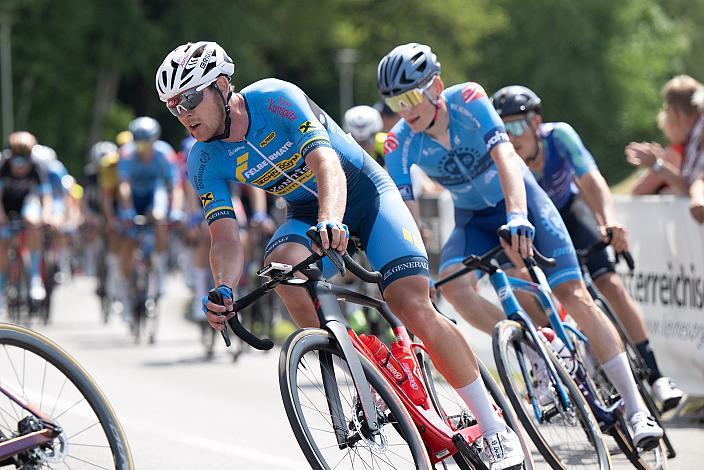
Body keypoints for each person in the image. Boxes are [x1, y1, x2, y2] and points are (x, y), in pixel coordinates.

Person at [156, 40, 524, 468]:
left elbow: (327, 164)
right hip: (307, 212)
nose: (184, 114)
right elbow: (225, 237)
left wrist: (333, 219)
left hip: (366, 196)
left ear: (221, 86)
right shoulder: (202, 158)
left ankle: (496, 429)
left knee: (410, 303)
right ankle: (372, 376)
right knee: (282, 272)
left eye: (190, 100)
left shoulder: (276, 98)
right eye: (173, 107)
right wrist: (223, 288)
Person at [378, 42, 662, 448]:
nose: (403, 110)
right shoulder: (398, 143)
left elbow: (508, 159)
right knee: (453, 285)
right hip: (473, 220)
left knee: (574, 294)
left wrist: (517, 215)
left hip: (519, 200)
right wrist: (415, 262)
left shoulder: (469, 99)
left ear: (436, 86)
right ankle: (531, 351)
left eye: (409, 97)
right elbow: (407, 211)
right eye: (393, 101)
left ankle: (637, 410)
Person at [491, 85, 684, 411]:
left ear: (536, 122)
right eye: (502, 128)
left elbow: (591, 181)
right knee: (532, 290)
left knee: (609, 282)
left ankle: (655, 374)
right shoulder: (501, 159)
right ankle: (566, 360)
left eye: (516, 125)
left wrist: (609, 222)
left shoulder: (559, 137)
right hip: (536, 224)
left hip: (569, 211)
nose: (510, 136)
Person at [116, 117, 183, 316]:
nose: (143, 148)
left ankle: (160, 270)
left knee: (159, 216)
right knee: (128, 239)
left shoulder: (164, 154)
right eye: (139, 143)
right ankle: (124, 287)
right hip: (133, 198)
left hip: (155, 194)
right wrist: (127, 211)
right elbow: (123, 186)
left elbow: (175, 187)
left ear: (155, 141)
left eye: (147, 143)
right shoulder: (127, 154)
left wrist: (176, 210)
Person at [625, 75, 704, 223]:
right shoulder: (695, 134)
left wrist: (657, 165)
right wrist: (657, 165)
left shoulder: (698, 134)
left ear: (673, 112)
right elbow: (691, 185)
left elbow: (692, 185)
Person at [0, 131, 52, 301]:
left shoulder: (38, 167)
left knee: (33, 221)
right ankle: (1, 287)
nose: (21, 166)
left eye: (25, 160)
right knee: (3, 243)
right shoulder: (3, 166)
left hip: (27, 203)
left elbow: (46, 196)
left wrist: (46, 215)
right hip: (5, 205)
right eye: (17, 160)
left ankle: (35, 276)